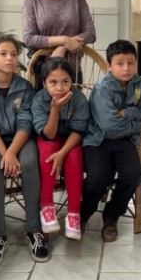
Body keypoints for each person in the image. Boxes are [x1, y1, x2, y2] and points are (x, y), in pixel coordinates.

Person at [0, 34, 47, 265]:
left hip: (20, 140)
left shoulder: (24, 87)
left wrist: (12, 152)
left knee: (28, 163)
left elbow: (26, 122)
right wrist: (5, 154)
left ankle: (35, 231)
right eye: (3, 53)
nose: (10, 58)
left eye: (14, 54)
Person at [81, 40, 141, 242]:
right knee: (99, 176)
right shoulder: (103, 88)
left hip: (124, 140)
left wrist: (126, 112)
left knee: (134, 173)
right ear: (109, 66)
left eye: (130, 63)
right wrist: (136, 125)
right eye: (120, 63)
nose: (126, 68)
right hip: (98, 139)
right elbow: (110, 125)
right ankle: (83, 213)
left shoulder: (138, 84)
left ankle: (111, 215)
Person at [32, 57, 90, 241]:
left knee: (74, 156)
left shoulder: (78, 98)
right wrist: (55, 109)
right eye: (53, 82)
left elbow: (79, 131)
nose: (59, 87)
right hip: (50, 136)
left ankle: (74, 213)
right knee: (47, 153)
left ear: (72, 81)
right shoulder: (39, 100)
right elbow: (48, 135)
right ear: (44, 83)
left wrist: (63, 153)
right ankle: (46, 205)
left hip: (71, 139)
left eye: (65, 82)